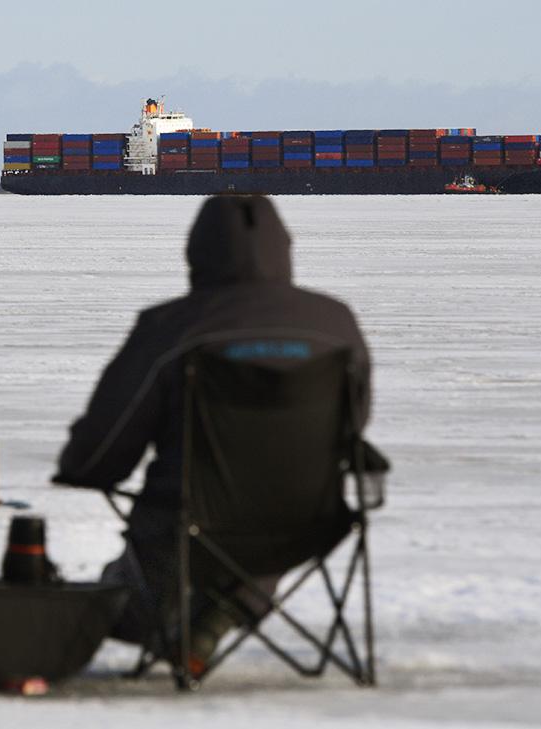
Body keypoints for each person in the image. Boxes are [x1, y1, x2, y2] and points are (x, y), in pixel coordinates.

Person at [53, 194, 371, 661]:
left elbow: (106, 442)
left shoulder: (170, 327)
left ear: (196, 251)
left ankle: (150, 614)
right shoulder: (336, 323)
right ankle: (226, 610)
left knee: (140, 592)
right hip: (306, 523)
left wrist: (85, 468)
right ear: (284, 245)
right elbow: (354, 422)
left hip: (185, 522)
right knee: (267, 507)